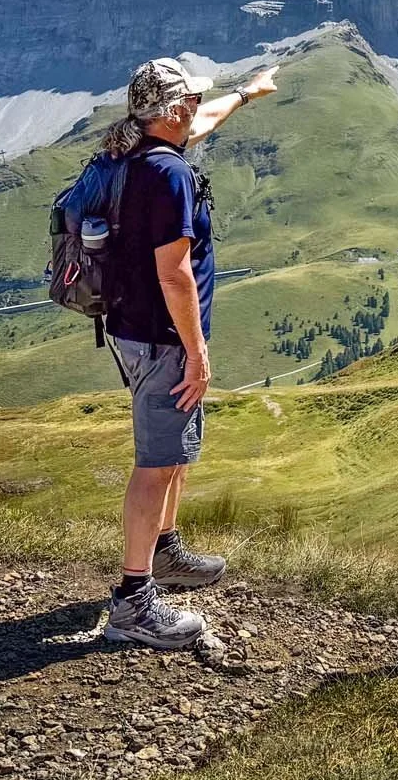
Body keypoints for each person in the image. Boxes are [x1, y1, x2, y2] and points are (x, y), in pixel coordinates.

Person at [100, 55, 278, 649]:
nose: (200, 109)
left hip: (133, 330)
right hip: (164, 338)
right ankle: (133, 600)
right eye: (193, 101)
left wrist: (247, 95)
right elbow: (174, 273)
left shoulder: (128, 153)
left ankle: (165, 551)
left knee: (173, 452)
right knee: (155, 465)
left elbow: (206, 123)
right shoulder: (170, 175)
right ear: (173, 111)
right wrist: (197, 354)